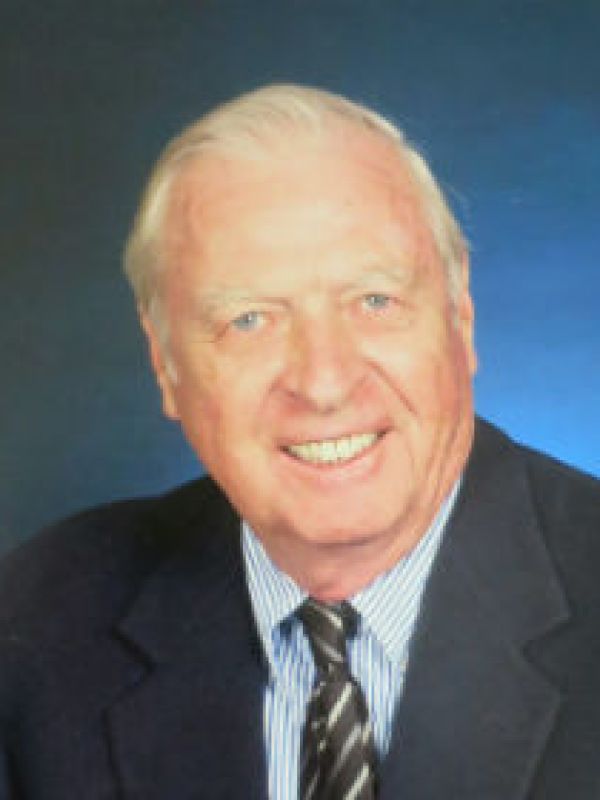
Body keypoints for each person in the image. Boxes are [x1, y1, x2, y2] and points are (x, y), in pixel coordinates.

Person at [0, 84, 599, 800]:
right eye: (250, 320)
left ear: (459, 315)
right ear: (163, 360)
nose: (323, 383)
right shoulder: (38, 620)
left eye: (373, 301)